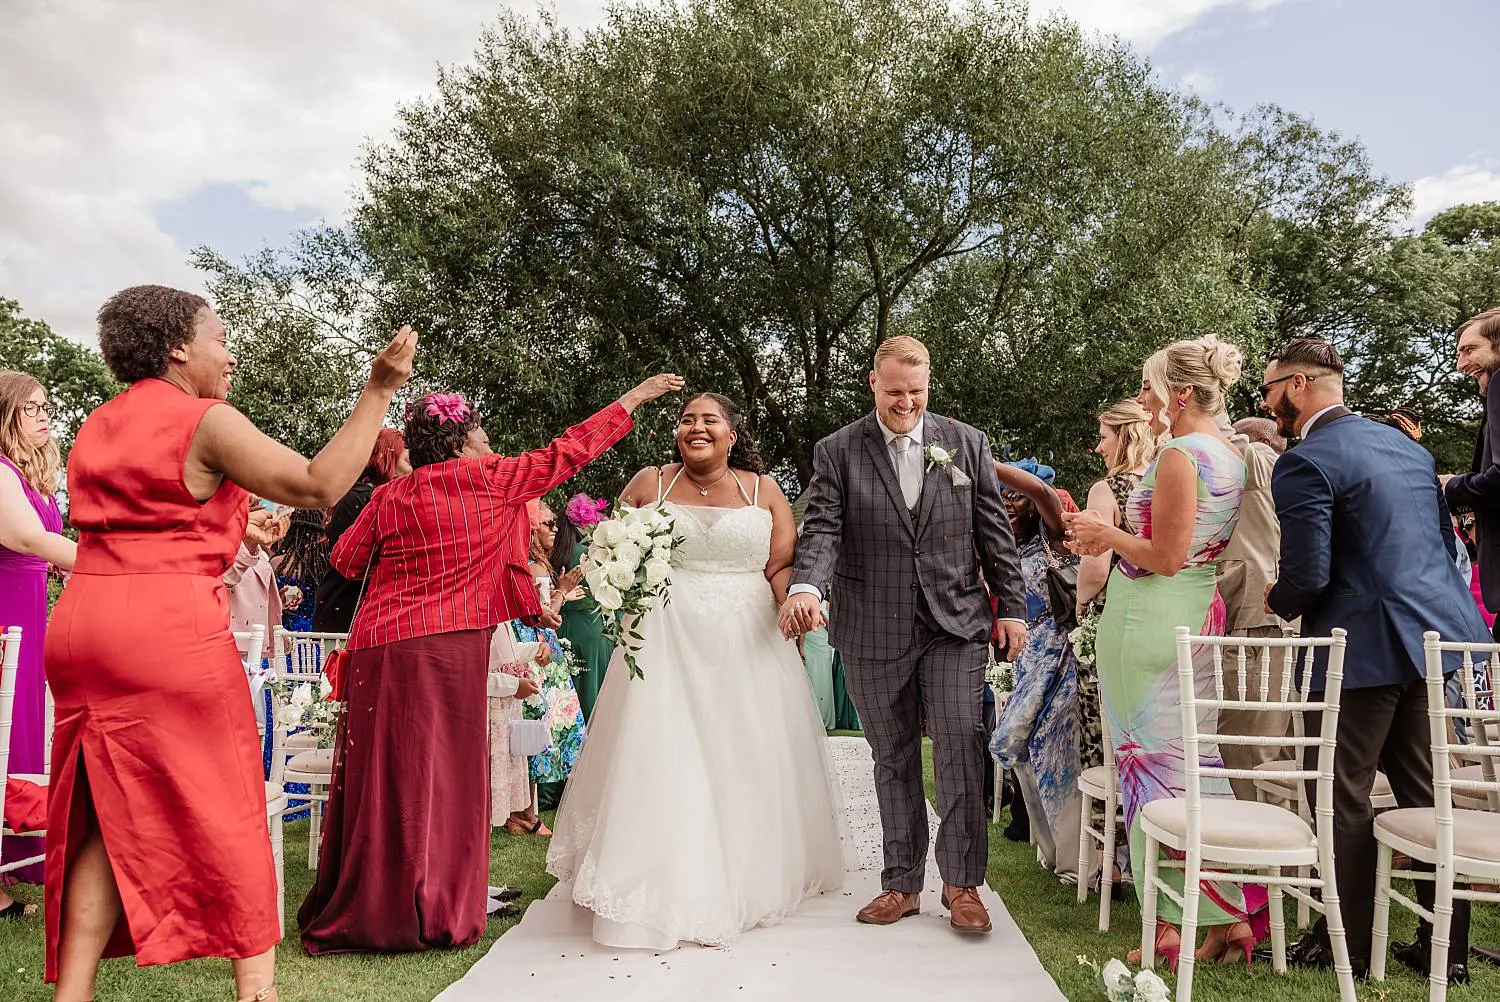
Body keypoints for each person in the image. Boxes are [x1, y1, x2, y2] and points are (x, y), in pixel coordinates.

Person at [45, 284, 415, 1002]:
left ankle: (74, 994)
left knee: (100, 810)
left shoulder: (97, 423)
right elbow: (317, 484)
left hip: (85, 624)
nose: (232, 353)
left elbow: (144, 515)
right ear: (178, 347)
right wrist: (378, 389)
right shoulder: (205, 419)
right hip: (164, 632)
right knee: (232, 806)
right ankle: (258, 994)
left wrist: (232, 528)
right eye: (220, 339)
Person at [298, 374, 681, 956]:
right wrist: (629, 401)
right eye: (479, 433)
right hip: (449, 644)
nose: (489, 442)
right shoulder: (494, 479)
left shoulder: (388, 496)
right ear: (457, 442)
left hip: (381, 644)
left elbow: (347, 560)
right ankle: (437, 904)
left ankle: (372, 903)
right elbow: (570, 450)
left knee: (384, 772)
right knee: (448, 773)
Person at [549, 392, 851, 950]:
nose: (697, 428)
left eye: (710, 420)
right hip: (665, 639)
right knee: (664, 754)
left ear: (732, 434)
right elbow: (607, 552)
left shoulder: (764, 491)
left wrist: (794, 603)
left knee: (742, 754)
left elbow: (780, 566)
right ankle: (656, 881)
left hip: (747, 643)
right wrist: (579, 585)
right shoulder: (650, 483)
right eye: (687, 420)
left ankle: (742, 874)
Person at [1260, 338, 1490, 984]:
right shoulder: (1408, 449)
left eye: (1270, 389)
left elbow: (1307, 573)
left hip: (1357, 649)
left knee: (1340, 794)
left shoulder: (1305, 462)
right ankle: (1443, 947)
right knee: (1426, 793)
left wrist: (1275, 600)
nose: (1268, 402)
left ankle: (1347, 943)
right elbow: (1441, 549)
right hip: (1433, 640)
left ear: (1299, 385)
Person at [780, 336, 1027, 936]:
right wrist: (807, 588)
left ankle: (963, 884)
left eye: (916, 393)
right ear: (873, 384)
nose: (906, 404)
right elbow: (821, 532)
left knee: (960, 741)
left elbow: (994, 534)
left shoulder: (967, 444)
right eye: (895, 392)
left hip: (955, 623)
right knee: (891, 755)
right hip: (871, 624)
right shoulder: (838, 450)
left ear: (928, 386)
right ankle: (900, 884)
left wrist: (1012, 608)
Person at [1065, 335, 1267, 968]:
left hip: (1150, 620)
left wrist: (1105, 533)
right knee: (1192, 769)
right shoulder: (1231, 454)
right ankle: (1228, 923)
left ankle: (1167, 929)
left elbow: (1165, 557)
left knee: (1148, 773)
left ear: (1181, 394)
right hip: (1195, 615)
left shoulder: (1182, 453)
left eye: (1151, 389)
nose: (1145, 401)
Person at [0, 371, 75, 909]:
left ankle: (12, 869)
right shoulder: (0, 470)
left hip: (31, 610)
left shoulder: (32, 475)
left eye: (48, 407)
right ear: (6, 415)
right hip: (5, 614)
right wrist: (111, 566)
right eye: (33, 409)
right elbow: (28, 538)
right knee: (5, 734)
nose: (46, 416)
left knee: (23, 730)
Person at [988, 458, 1083, 880]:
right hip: (1026, 660)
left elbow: (1044, 494)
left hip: (1060, 657)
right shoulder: (1003, 545)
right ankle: (1050, 853)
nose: (1008, 505)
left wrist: (988, 463)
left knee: (1057, 752)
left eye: (1016, 499)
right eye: (1001, 498)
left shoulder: (1053, 538)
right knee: (1023, 750)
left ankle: (1078, 861)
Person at [1213, 408, 1290, 803]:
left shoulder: (1260, 459)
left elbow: (1234, 443)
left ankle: (1265, 850)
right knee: (1287, 748)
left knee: (1248, 743)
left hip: (1258, 625)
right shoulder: (1286, 476)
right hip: (1273, 622)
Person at [520, 500, 587, 812]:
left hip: (545, 645)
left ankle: (531, 807)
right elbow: (542, 615)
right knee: (543, 721)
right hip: (539, 648)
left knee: (551, 722)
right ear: (532, 529)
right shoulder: (533, 568)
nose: (556, 529)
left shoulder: (540, 565)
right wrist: (562, 591)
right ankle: (529, 809)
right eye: (547, 524)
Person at [310, 428, 409, 633]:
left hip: (372, 613)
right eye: (408, 462)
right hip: (345, 608)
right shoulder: (359, 498)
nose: (414, 469)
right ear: (387, 461)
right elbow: (346, 559)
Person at [550, 498, 617, 723]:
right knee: (593, 697)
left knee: (567, 699)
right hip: (592, 632)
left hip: (561, 629)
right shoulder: (591, 555)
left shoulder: (554, 554)